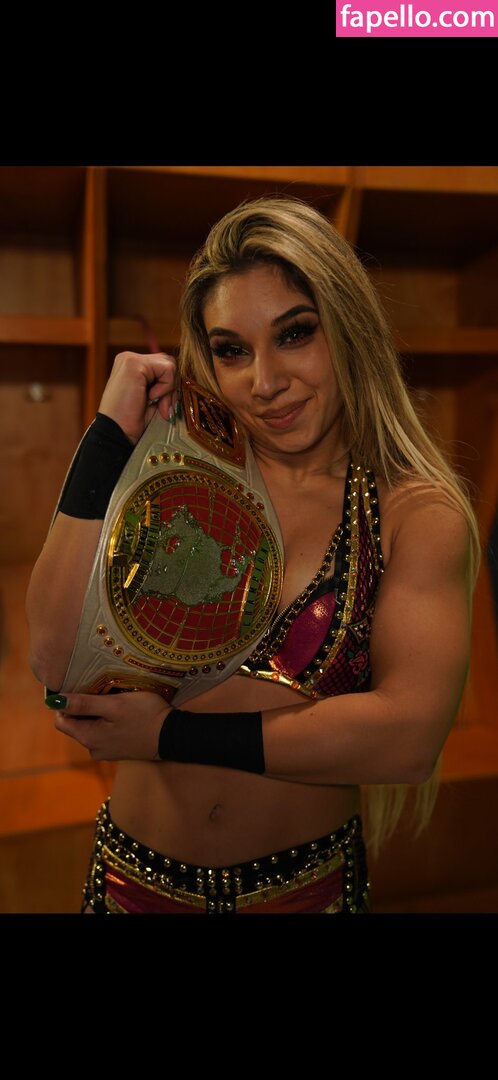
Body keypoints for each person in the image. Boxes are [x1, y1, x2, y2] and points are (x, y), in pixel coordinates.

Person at [26, 195, 479, 915]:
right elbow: (54, 662)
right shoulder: (175, 478)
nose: (264, 382)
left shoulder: (413, 513)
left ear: (348, 326)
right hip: (129, 887)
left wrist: (169, 735)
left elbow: (408, 740)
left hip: (306, 895)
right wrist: (109, 436)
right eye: (231, 350)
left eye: (294, 334)